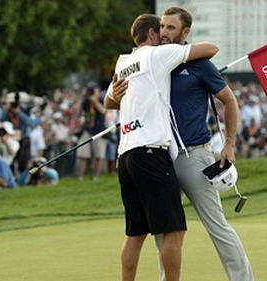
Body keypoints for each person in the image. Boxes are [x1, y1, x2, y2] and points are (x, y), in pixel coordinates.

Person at [110, 7, 254, 281]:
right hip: (160, 157)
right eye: (162, 26)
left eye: (171, 28)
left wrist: (229, 144)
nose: (164, 33)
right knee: (164, 229)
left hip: (194, 156)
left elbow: (230, 101)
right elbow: (115, 99)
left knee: (217, 226)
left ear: (185, 32)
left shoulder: (198, 64)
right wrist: (114, 96)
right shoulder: (152, 59)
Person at [76, 82, 107, 181]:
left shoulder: (102, 100)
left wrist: (95, 101)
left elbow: (104, 111)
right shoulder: (85, 102)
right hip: (87, 129)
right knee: (82, 153)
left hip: (99, 130)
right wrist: (82, 98)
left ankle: (96, 177)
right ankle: (80, 177)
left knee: (99, 155)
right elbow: (77, 112)